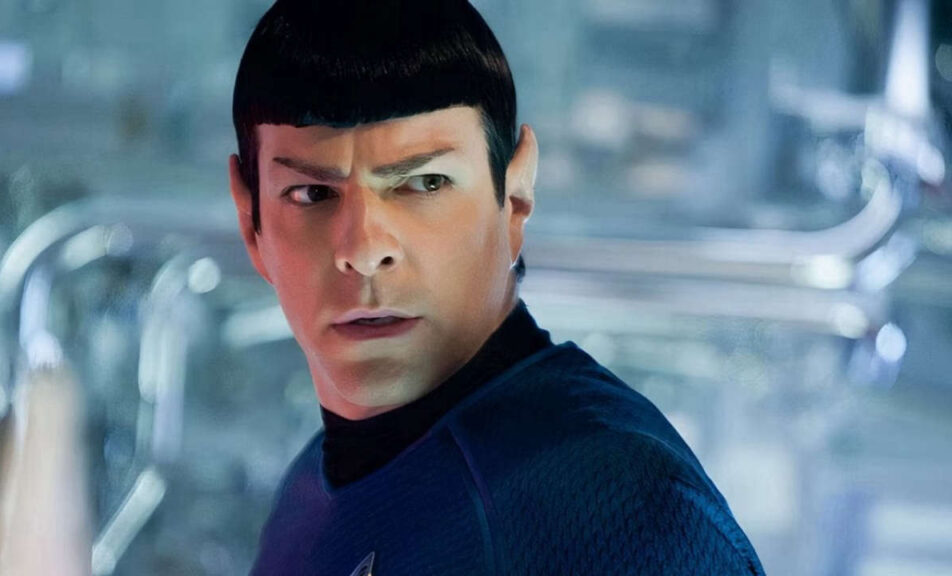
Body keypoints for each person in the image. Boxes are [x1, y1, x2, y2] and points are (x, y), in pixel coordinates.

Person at [228, 0, 766, 574]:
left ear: (515, 198)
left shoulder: (615, 510)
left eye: (425, 183)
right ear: (250, 221)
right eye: (311, 194)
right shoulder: (309, 494)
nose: (363, 250)